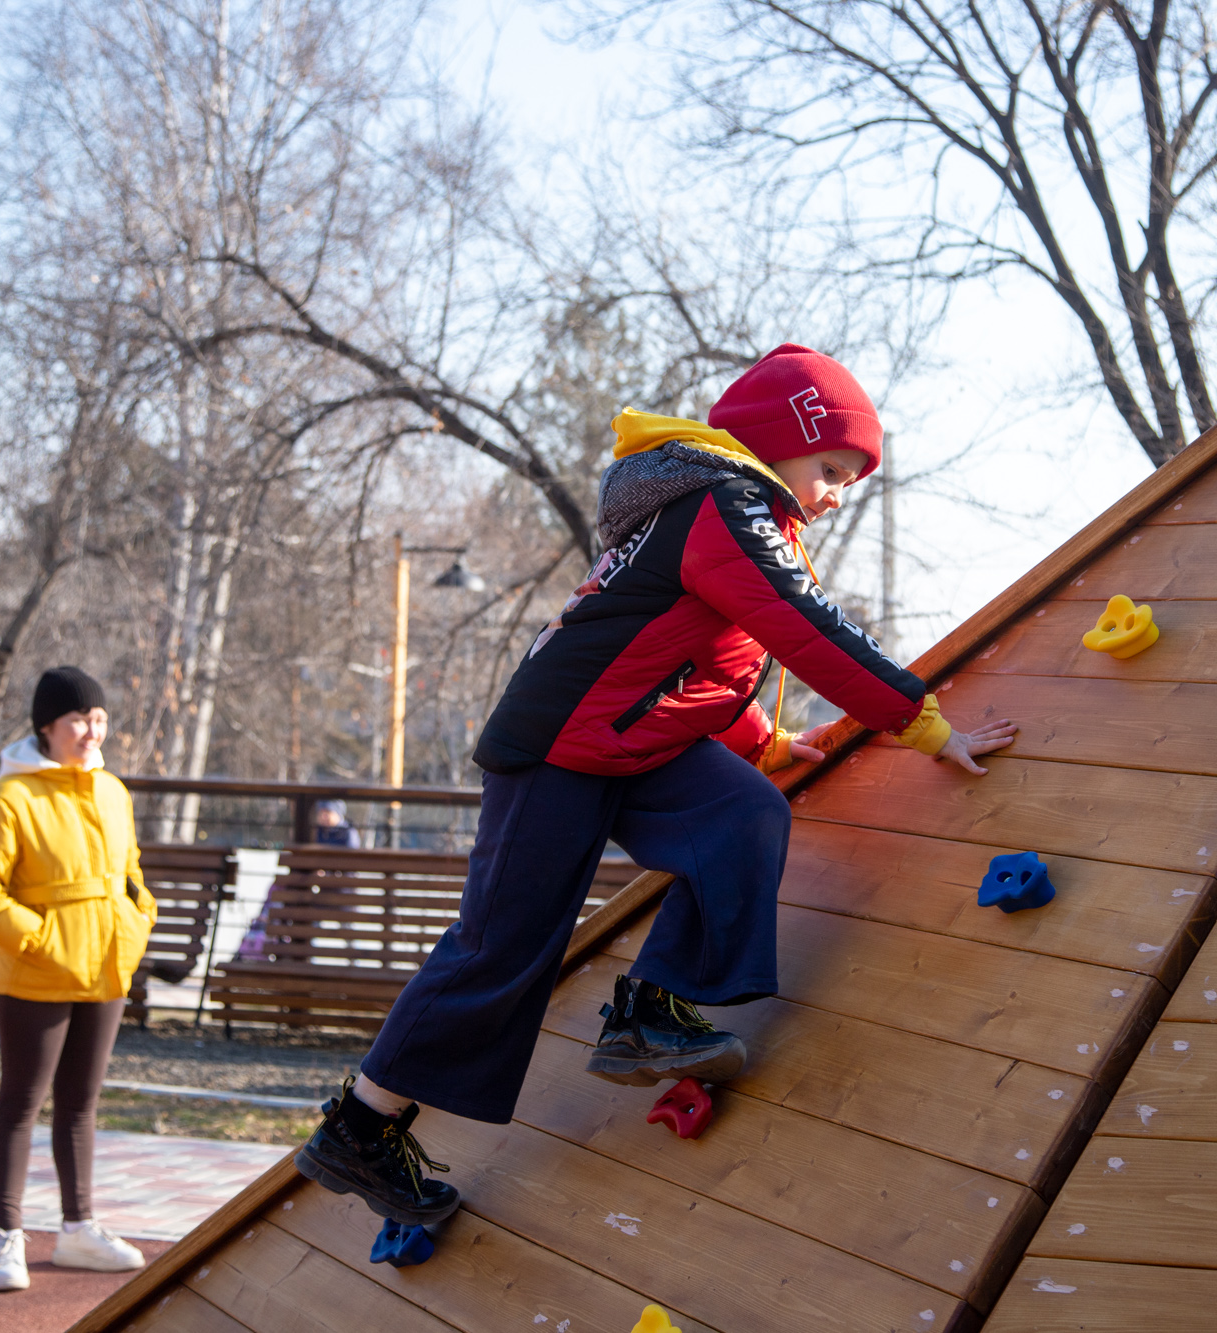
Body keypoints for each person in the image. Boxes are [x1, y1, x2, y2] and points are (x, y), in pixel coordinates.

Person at [295, 343, 1017, 1227]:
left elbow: (692, 661)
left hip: (630, 743)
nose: (833, 495)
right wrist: (922, 723)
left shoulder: (730, 513)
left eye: (846, 482)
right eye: (831, 469)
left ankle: (650, 1011)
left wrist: (768, 741)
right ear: (778, 438)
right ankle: (358, 1127)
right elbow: (806, 627)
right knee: (505, 945)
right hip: (556, 747)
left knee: (743, 811)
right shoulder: (726, 504)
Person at [0, 667, 157, 1291]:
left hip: (106, 969)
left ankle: (78, 1230)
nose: (92, 730)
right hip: (35, 972)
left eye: (98, 718)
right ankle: (7, 1236)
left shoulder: (113, 792)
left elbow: (131, 873)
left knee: (80, 1107)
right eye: (78, 719)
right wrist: (37, 938)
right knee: (20, 1103)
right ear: (47, 726)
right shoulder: (9, 797)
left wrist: (138, 916)